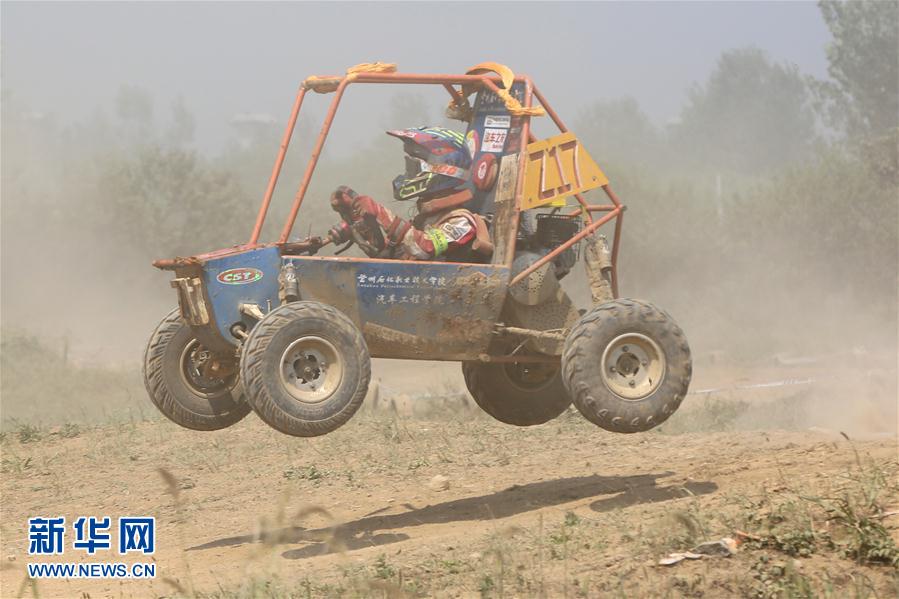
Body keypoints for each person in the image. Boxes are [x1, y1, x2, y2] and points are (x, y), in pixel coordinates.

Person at [322, 127, 491, 261]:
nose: (409, 173)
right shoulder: (424, 219)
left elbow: (424, 247)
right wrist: (361, 223)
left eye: (414, 166)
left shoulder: (462, 222)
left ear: (444, 169)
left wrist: (380, 213)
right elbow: (391, 255)